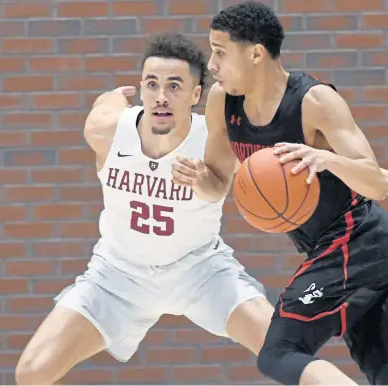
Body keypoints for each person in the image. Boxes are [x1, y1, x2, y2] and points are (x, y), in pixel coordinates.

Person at [171, 1, 388, 385]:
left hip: (357, 240)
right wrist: (198, 179)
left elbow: (372, 181)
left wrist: (325, 159)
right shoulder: (223, 104)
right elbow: (217, 183)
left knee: (279, 352)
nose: (211, 64)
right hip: (345, 251)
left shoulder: (315, 102)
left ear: (256, 53)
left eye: (220, 52)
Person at [14, 32, 275, 385]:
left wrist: (209, 180)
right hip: (118, 274)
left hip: (199, 270)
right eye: (151, 84)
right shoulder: (107, 131)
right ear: (140, 89)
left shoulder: (214, 138)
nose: (161, 96)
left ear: (196, 95)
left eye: (174, 86)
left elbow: (237, 185)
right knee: (32, 373)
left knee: (284, 350)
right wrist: (110, 98)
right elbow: (104, 108)